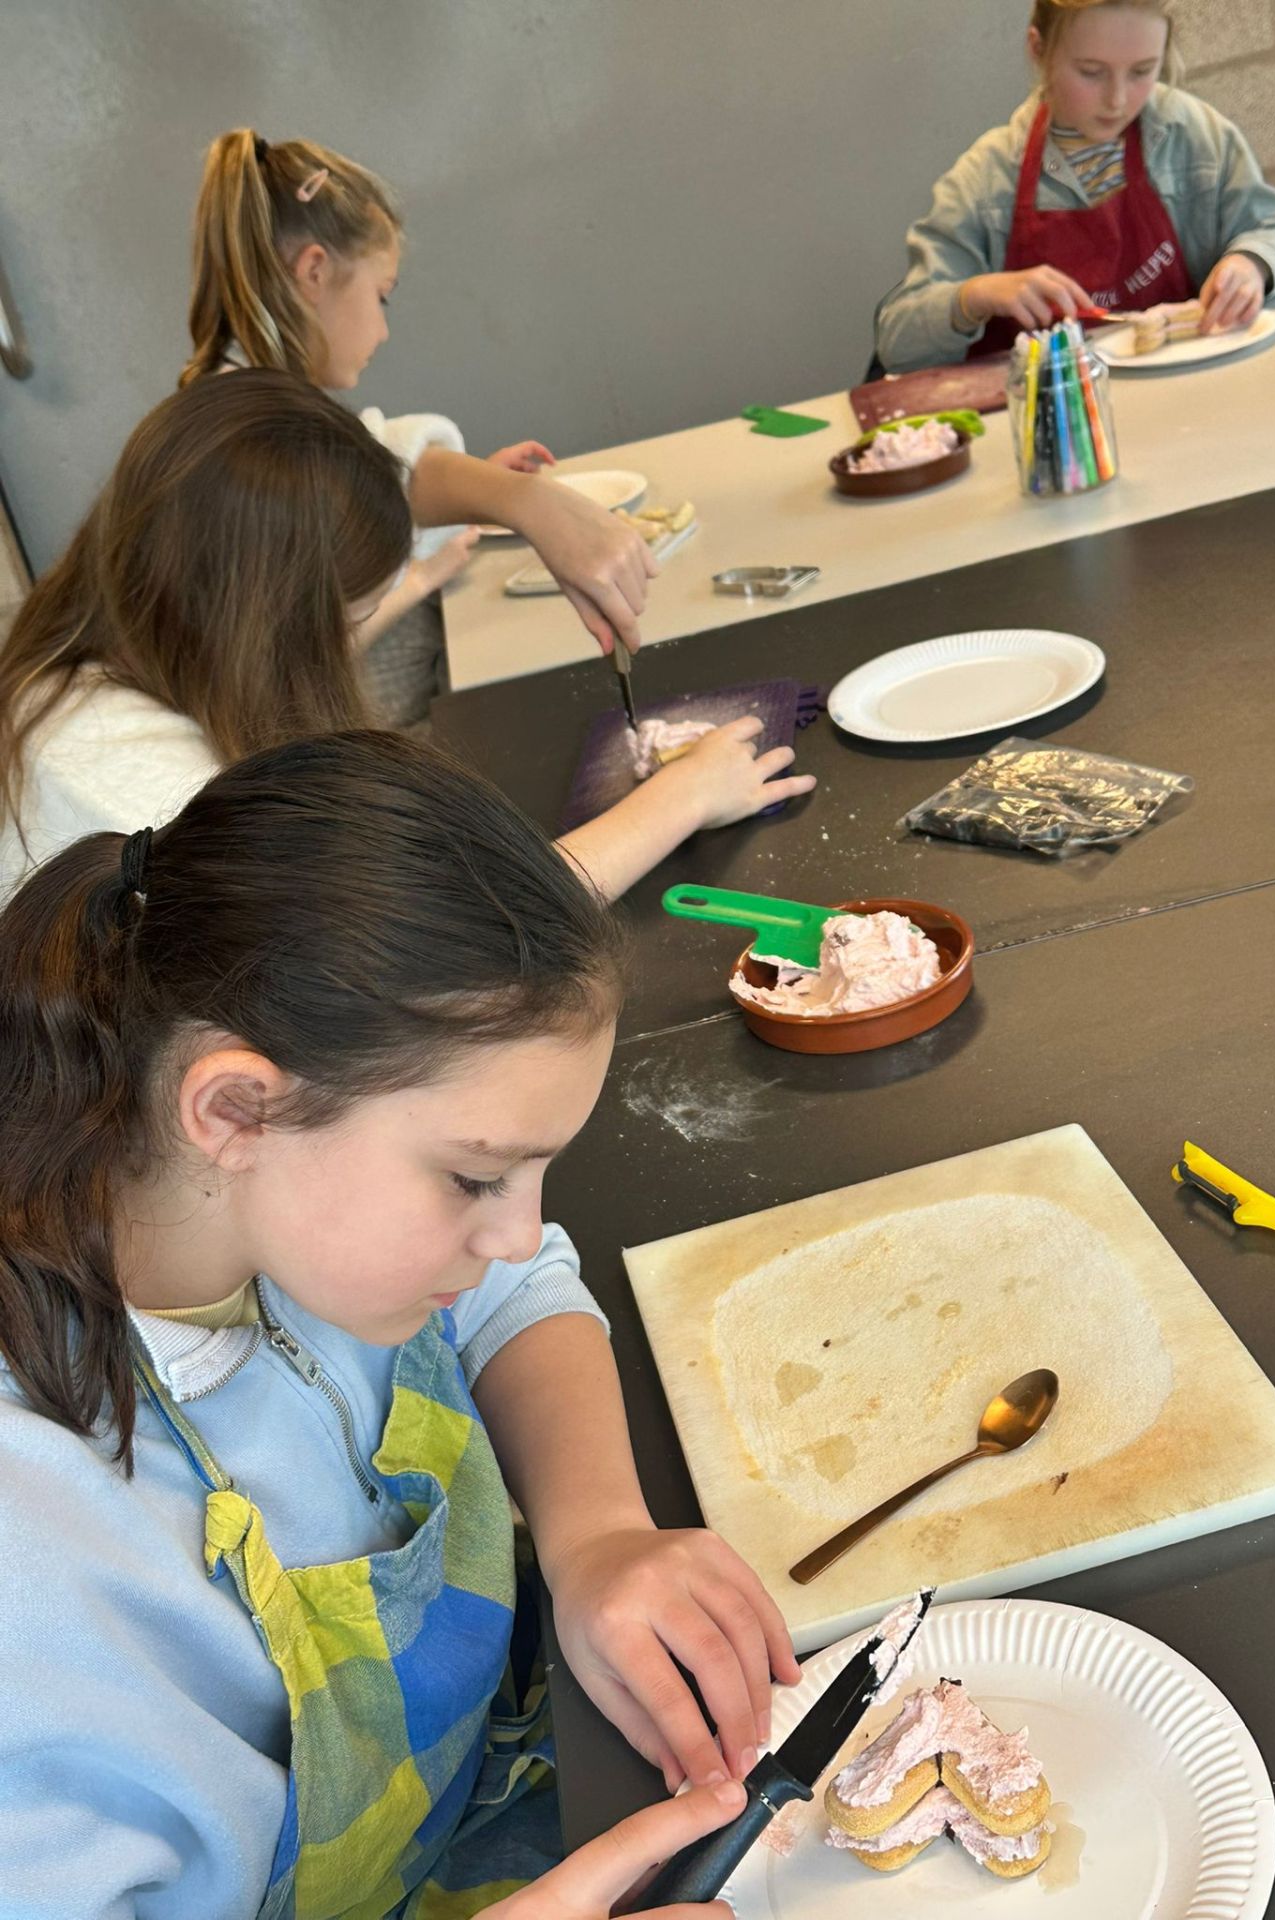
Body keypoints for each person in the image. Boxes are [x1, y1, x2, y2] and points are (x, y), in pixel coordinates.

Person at [0, 727, 800, 1918]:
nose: (521, 1233)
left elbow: (516, 1287)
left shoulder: (263, 1198)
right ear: (236, 1109)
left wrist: (595, 1534)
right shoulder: (36, 1569)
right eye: (476, 1179)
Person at [0, 371, 814, 903]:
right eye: (350, 618)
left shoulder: (105, 646)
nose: (351, 641)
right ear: (271, 628)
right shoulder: (140, 786)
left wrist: (530, 504)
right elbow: (441, 954)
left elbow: (384, 464)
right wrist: (680, 799)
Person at [184, 128, 659, 723]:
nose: (382, 330)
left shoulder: (242, 400)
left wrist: (489, 493)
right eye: (381, 296)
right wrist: (428, 571)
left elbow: (375, 471)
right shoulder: (250, 443)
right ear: (314, 271)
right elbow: (275, 669)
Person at [874, 0, 1275, 371]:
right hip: (1054, 426)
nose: (1118, 99)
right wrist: (973, 297)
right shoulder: (986, 182)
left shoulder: (1192, 135)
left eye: (1142, 71)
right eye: (1091, 72)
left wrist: (1252, 264)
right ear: (1039, 50)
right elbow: (897, 342)